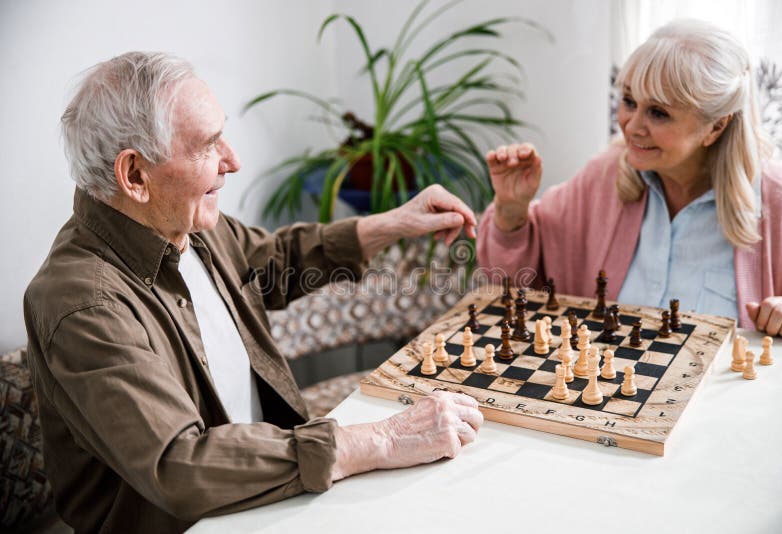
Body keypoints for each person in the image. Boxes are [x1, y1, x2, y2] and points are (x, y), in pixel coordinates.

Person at [24, 52, 484, 533]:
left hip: (273, 494)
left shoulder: (182, 224)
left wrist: (392, 224)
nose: (233, 160)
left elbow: (274, 261)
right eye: (208, 144)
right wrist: (380, 440)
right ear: (135, 176)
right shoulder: (82, 303)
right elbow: (181, 465)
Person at [477, 19, 782, 339]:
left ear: (715, 127)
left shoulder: (780, 204)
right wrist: (511, 208)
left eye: (658, 113)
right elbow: (510, 283)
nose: (632, 126)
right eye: (630, 101)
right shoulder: (603, 176)